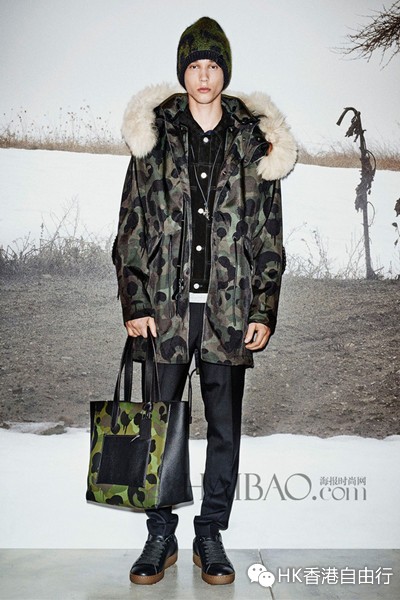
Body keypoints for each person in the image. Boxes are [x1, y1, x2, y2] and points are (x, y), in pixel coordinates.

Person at [114, 16, 296, 586]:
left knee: (224, 430)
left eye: (213, 65)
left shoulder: (253, 141)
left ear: (225, 72)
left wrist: (263, 308)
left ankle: (210, 534)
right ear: (183, 71)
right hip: (164, 313)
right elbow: (131, 228)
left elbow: (269, 235)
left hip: (229, 313)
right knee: (160, 424)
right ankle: (160, 535)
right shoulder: (155, 136)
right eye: (194, 65)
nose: (203, 75)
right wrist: (135, 302)